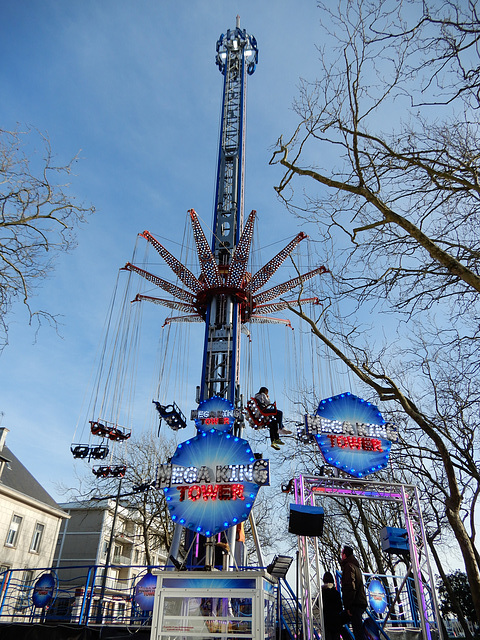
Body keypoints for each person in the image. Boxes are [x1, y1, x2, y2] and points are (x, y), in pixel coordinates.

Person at [340, 545, 367, 640]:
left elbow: (350, 587)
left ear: (345, 555)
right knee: (358, 629)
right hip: (359, 602)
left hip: (354, 604)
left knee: (358, 632)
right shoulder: (356, 567)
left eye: (342, 553)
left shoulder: (348, 567)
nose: (341, 556)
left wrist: (348, 606)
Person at [321, 571, 343, 640]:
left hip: (326, 621)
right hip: (336, 621)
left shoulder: (322, 593)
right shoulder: (336, 593)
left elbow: (318, 605)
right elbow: (340, 607)